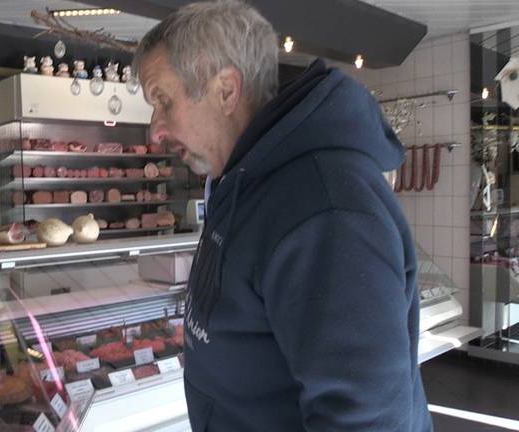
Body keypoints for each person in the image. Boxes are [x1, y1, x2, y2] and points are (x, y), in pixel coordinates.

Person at [132, 1, 433, 431]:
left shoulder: (326, 209)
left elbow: (366, 419)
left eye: (163, 101)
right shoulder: (242, 179)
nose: (155, 128)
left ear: (226, 91)